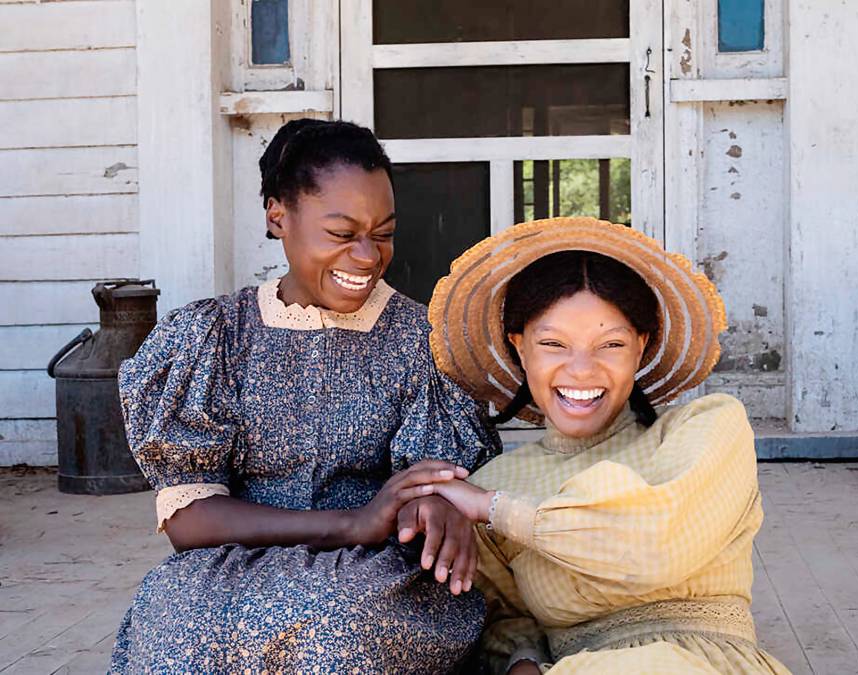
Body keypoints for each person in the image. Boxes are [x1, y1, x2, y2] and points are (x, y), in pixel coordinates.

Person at [111, 119, 500, 673]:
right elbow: (188, 520)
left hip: (378, 572)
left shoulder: (423, 343)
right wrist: (347, 522)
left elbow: (427, 488)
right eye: (342, 234)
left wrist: (431, 507)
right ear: (278, 216)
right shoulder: (215, 336)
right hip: (233, 563)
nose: (367, 256)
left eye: (383, 232)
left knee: (327, 623)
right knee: (170, 616)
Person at [427, 217, 792, 674]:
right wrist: (521, 661)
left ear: (641, 347)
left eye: (611, 344)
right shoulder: (496, 483)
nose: (581, 371)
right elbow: (508, 618)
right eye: (554, 344)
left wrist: (497, 509)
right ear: (520, 348)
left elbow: (651, 549)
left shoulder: (706, 429)